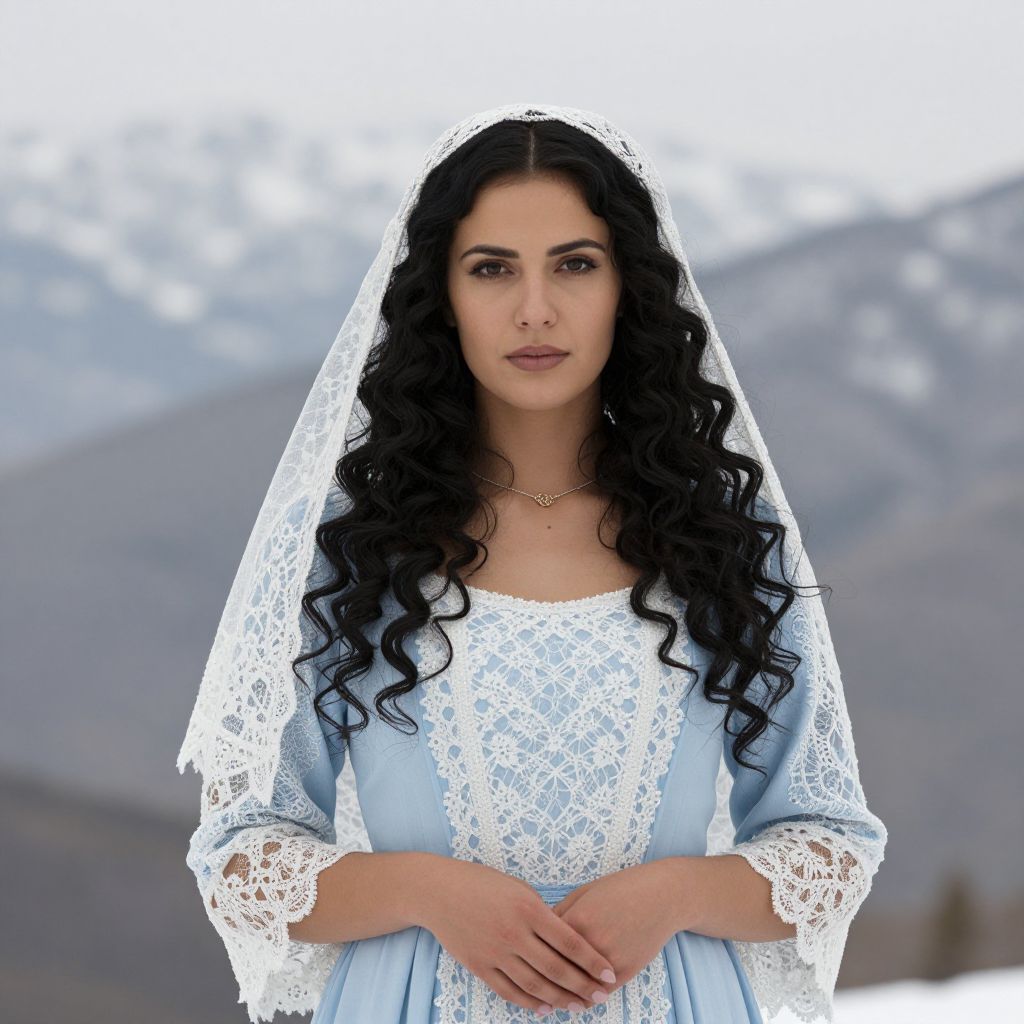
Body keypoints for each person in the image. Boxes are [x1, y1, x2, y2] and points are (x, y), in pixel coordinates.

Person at [177, 103, 888, 1024]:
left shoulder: (723, 538)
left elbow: (831, 843)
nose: (535, 309)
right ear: (441, 295)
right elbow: (239, 857)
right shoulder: (342, 548)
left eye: (575, 264)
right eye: (492, 269)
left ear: (629, 287)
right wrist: (428, 892)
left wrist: (677, 893)